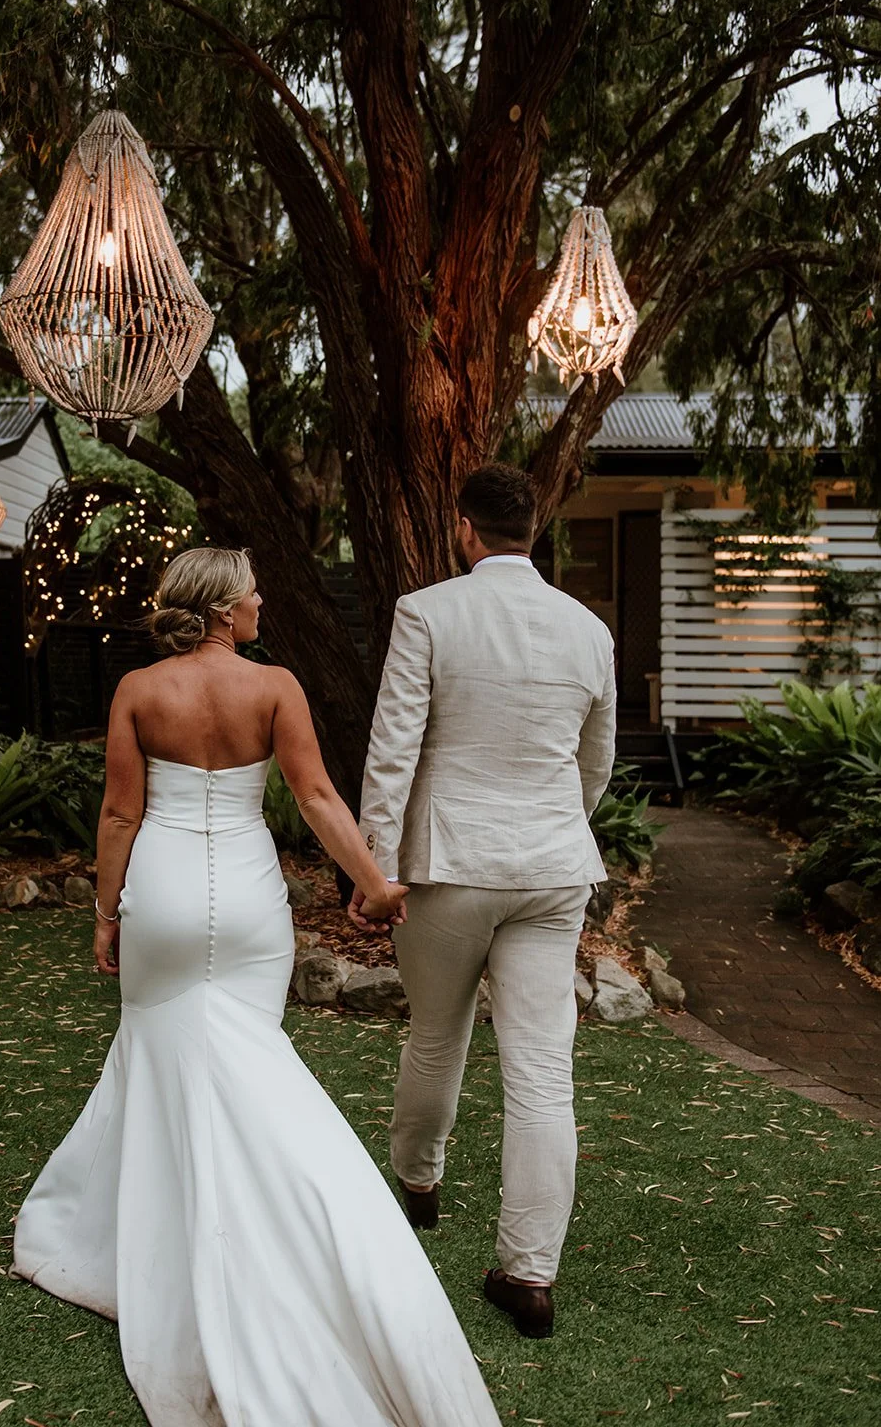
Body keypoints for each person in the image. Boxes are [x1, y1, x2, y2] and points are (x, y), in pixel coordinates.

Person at [12, 547, 500, 1427]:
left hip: (158, 893)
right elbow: (315, 796)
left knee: (166, 1059)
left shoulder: (138, 690)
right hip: (244, 901)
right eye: (253, 587)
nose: (263, 596)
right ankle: (285, 1222)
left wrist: (104, 911)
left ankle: (157, 1238)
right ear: (227, 607)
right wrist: (372, 883)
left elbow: (120, 812)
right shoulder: (274, 687)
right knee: (249, 1060)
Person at [351, 464, 616, 1341]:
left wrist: (375, 867)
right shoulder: (588, 630)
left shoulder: (428, 611)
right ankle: (528, 1272)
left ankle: (418, 1184)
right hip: (551, 868)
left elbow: (393, 748)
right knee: (543, 1074)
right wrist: (552, 829)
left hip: (449, 864)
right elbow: (596, 762)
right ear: (530, 530)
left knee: (437, 1036)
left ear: (465, 529)